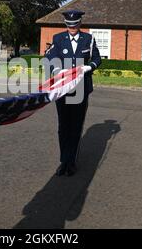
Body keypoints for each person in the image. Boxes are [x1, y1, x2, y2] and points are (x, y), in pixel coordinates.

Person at [45, 10, 101, 177]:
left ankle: (72, 162)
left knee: (76, 126)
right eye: (69, 25)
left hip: (81, 88)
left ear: (80, 23)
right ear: (65, 25)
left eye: (75, 25)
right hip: (62, 88)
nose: (72, 28)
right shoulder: (58, 39)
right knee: (63, 126)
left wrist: (88, 67)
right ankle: (64, 161)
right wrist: (56, 68)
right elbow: (50, 56)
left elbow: (97, 59)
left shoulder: (88, 40)